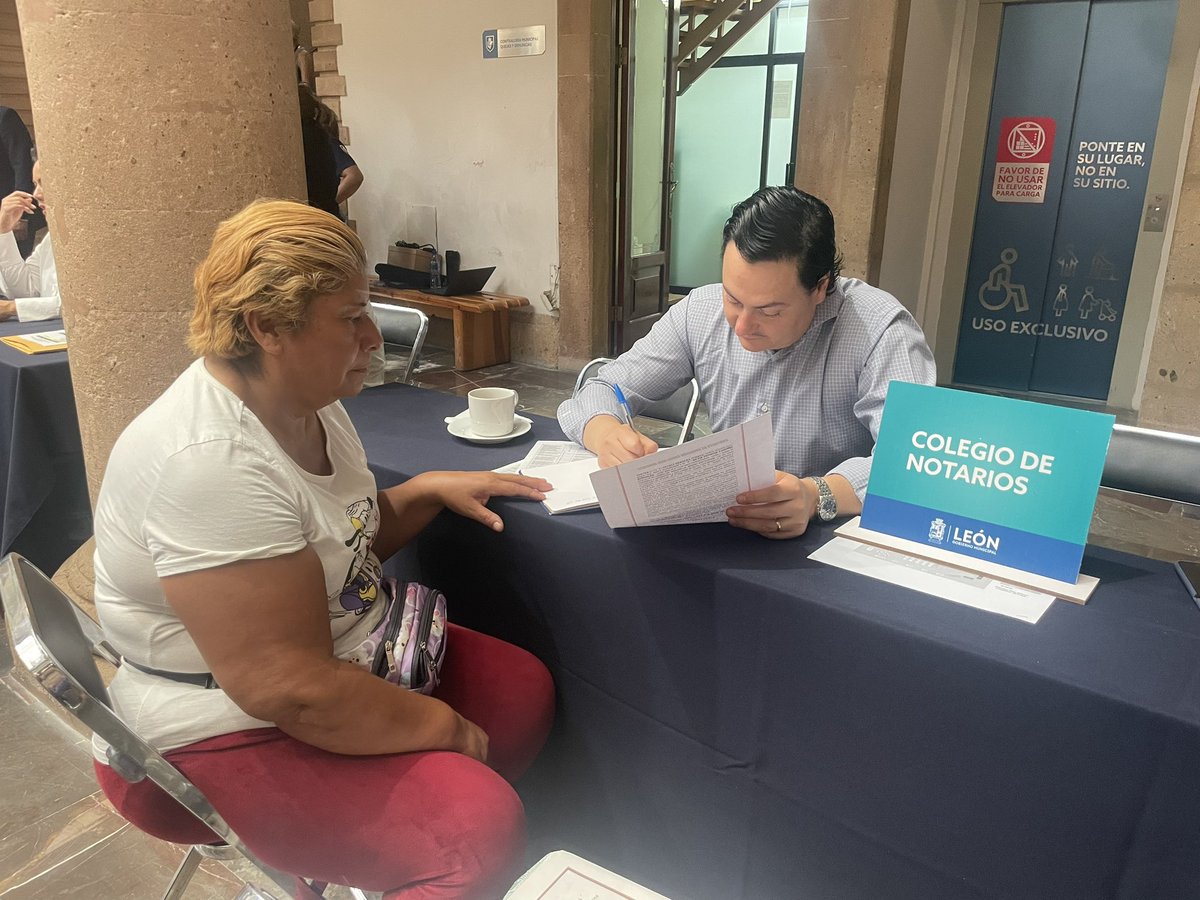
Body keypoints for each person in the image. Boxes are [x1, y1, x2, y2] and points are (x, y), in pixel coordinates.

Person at [90, 199, 556, 897]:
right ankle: (409, 857)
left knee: (520, 694)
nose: (372, 336)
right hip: (212, 725)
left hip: (323, 662)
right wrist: (447, 730)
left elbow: (337, 548)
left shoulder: (310, 403)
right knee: (473, 836)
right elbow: (292, 691)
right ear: (267, 327)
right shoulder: (209, 465)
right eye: (350, 318)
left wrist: (424, 490)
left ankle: (367, 857)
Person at [558, 185, 936, 539]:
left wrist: (817, 494)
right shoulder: (700, 312)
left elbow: (913, 461)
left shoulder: (880, 329)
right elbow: (602, 388)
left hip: (827, 538)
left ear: (820, 287)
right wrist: (606, 434)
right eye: (733, 299)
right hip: (725, 528)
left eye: (769, 311)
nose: (742, 326)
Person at [0, 159, 59, 322]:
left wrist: (10, 308)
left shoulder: (93, 239)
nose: (36, 194)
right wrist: (3, 232)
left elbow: (77, 305)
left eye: (43, 183)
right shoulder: (51, 238)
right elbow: (26, 290)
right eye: (35, 184)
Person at [0, 107, 42, 257]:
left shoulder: (5, 117)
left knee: (12, 267)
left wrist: (21, 215)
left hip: (11, 212)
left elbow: (23, 166)